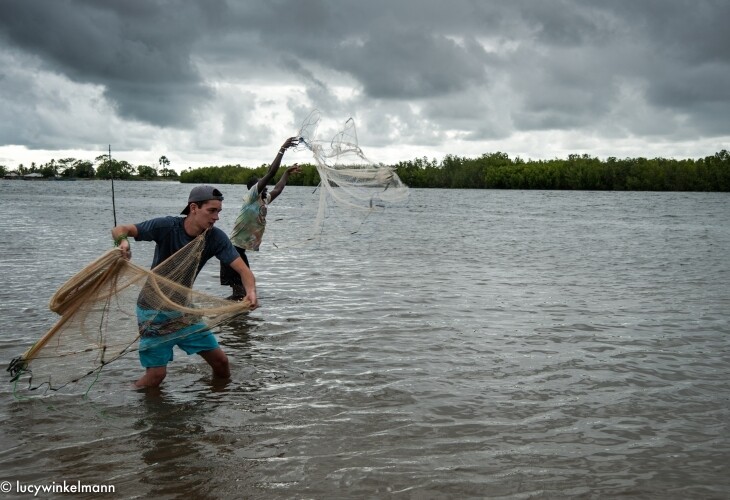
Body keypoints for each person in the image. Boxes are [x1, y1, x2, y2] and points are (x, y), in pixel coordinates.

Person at [111, 185, 257, 388]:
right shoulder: (166, 227)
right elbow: (121, 230)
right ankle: (130, 401)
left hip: (183, 311)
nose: (216, 217)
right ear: (194, 207)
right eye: (211, 211)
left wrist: (250, 292)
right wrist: (123, 242)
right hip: (153, 310)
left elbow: (244, 271)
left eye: (219, 212)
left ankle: (216, 400)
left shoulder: (215, 237)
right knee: (156, 376)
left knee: (221, 363)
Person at [221, 137, 302, 300]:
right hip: (233, 250)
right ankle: (235, 319)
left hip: (237, 250)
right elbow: (271, 173)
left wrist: (286, 173)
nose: (265, 185)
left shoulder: (263, 200)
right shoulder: (251, 197)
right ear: (254, 188)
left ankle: (234, 317)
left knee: (241, 292)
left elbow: (278, 188)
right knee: (243, 292)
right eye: (261, 184)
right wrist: (282, 149)